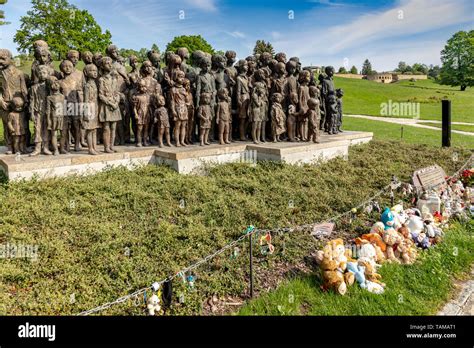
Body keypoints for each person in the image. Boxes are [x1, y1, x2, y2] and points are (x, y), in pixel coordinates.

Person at [98, 57, 121, 153]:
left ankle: (111, 146)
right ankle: (106, 147)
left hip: (115, 105)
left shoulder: (114, 79)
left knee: (113, 127)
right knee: (106, 128)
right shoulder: (101, 80)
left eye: (110, 63)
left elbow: (117, 92)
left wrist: (116, 102)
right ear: (102, 66)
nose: (110, 65)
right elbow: (100, 95)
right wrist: (110, 103)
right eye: (107, 63)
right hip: (106, 106)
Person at [29, 65, 51, 155]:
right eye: (40, 73)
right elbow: (32, 100)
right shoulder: (34, 87)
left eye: (44, 73)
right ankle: (37, 148)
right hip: (38, 111)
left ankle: (45, 147)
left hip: (48, 111)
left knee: (46, 128)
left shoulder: (50, 86)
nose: (42, 75)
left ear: (48, 74)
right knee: (37, 129)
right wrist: (31, 113)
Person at [82, 64, 101, 155]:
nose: (94, 72)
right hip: (89, 109)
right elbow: (85, 100)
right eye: (92, 71)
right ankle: (90, 148)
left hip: (95, 108)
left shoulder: (95, 84)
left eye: (95, 71)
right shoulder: (87, 86)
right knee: (89, 130)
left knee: (94, 129)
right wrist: (86, 112)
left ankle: (94, 147)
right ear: (86, 73)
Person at [46, 77, 65, 155]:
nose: (56, 85)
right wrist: (48, 120)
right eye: (53, 84)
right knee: (54, 134)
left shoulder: (62, 96)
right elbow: (48, 110)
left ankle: (62, 148)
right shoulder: (49, 98)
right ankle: (55, 149)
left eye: (57, 83)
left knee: (63, 133)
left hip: (62, 117)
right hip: (53, 117)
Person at [132, 79, 152, 147]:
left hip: (146, 114)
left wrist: (150, 114)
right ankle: (139, 142)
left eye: (144, 86)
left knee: (146, 129)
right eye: (141, 86)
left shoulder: (148, 96)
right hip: (140, 114)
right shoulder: (136, 97)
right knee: (139, 129)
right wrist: (136, 114)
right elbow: (134, 107)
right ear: (138, 87)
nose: (143, 88)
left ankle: (145, 141)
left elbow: (149, 106)